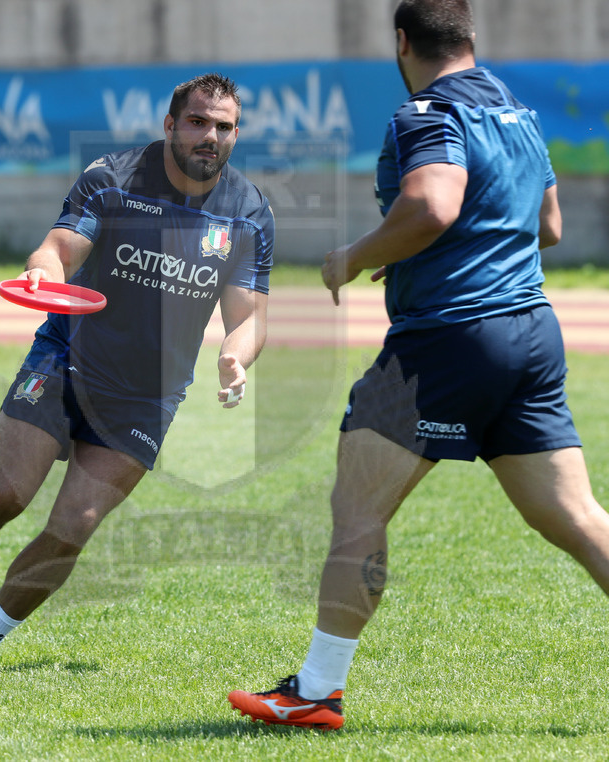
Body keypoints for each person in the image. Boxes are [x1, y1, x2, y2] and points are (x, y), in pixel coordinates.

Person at [228, 0, 609, 731]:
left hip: (447, 339)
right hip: (531, 333)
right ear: (470, 37)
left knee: (359, 510)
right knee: (578, 516)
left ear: (402, 41)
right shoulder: (518, 115)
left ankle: (316, 691)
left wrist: (354, 255)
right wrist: (428, 251)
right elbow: (548, 226)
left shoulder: (426, 113)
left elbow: (433, 206)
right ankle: (314, 689)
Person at [0, 72, 274, 670]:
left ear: (236, 134)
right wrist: (44, 273)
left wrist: (234, 357)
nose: (209, 137)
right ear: (170, 125)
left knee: (74, 526)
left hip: (147, 394)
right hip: (66, 359)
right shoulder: (113, 177)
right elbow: (60, 247)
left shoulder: (248, 212)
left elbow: (249, 317)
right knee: (4, 495)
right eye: (197, 122)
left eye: (223, 127)